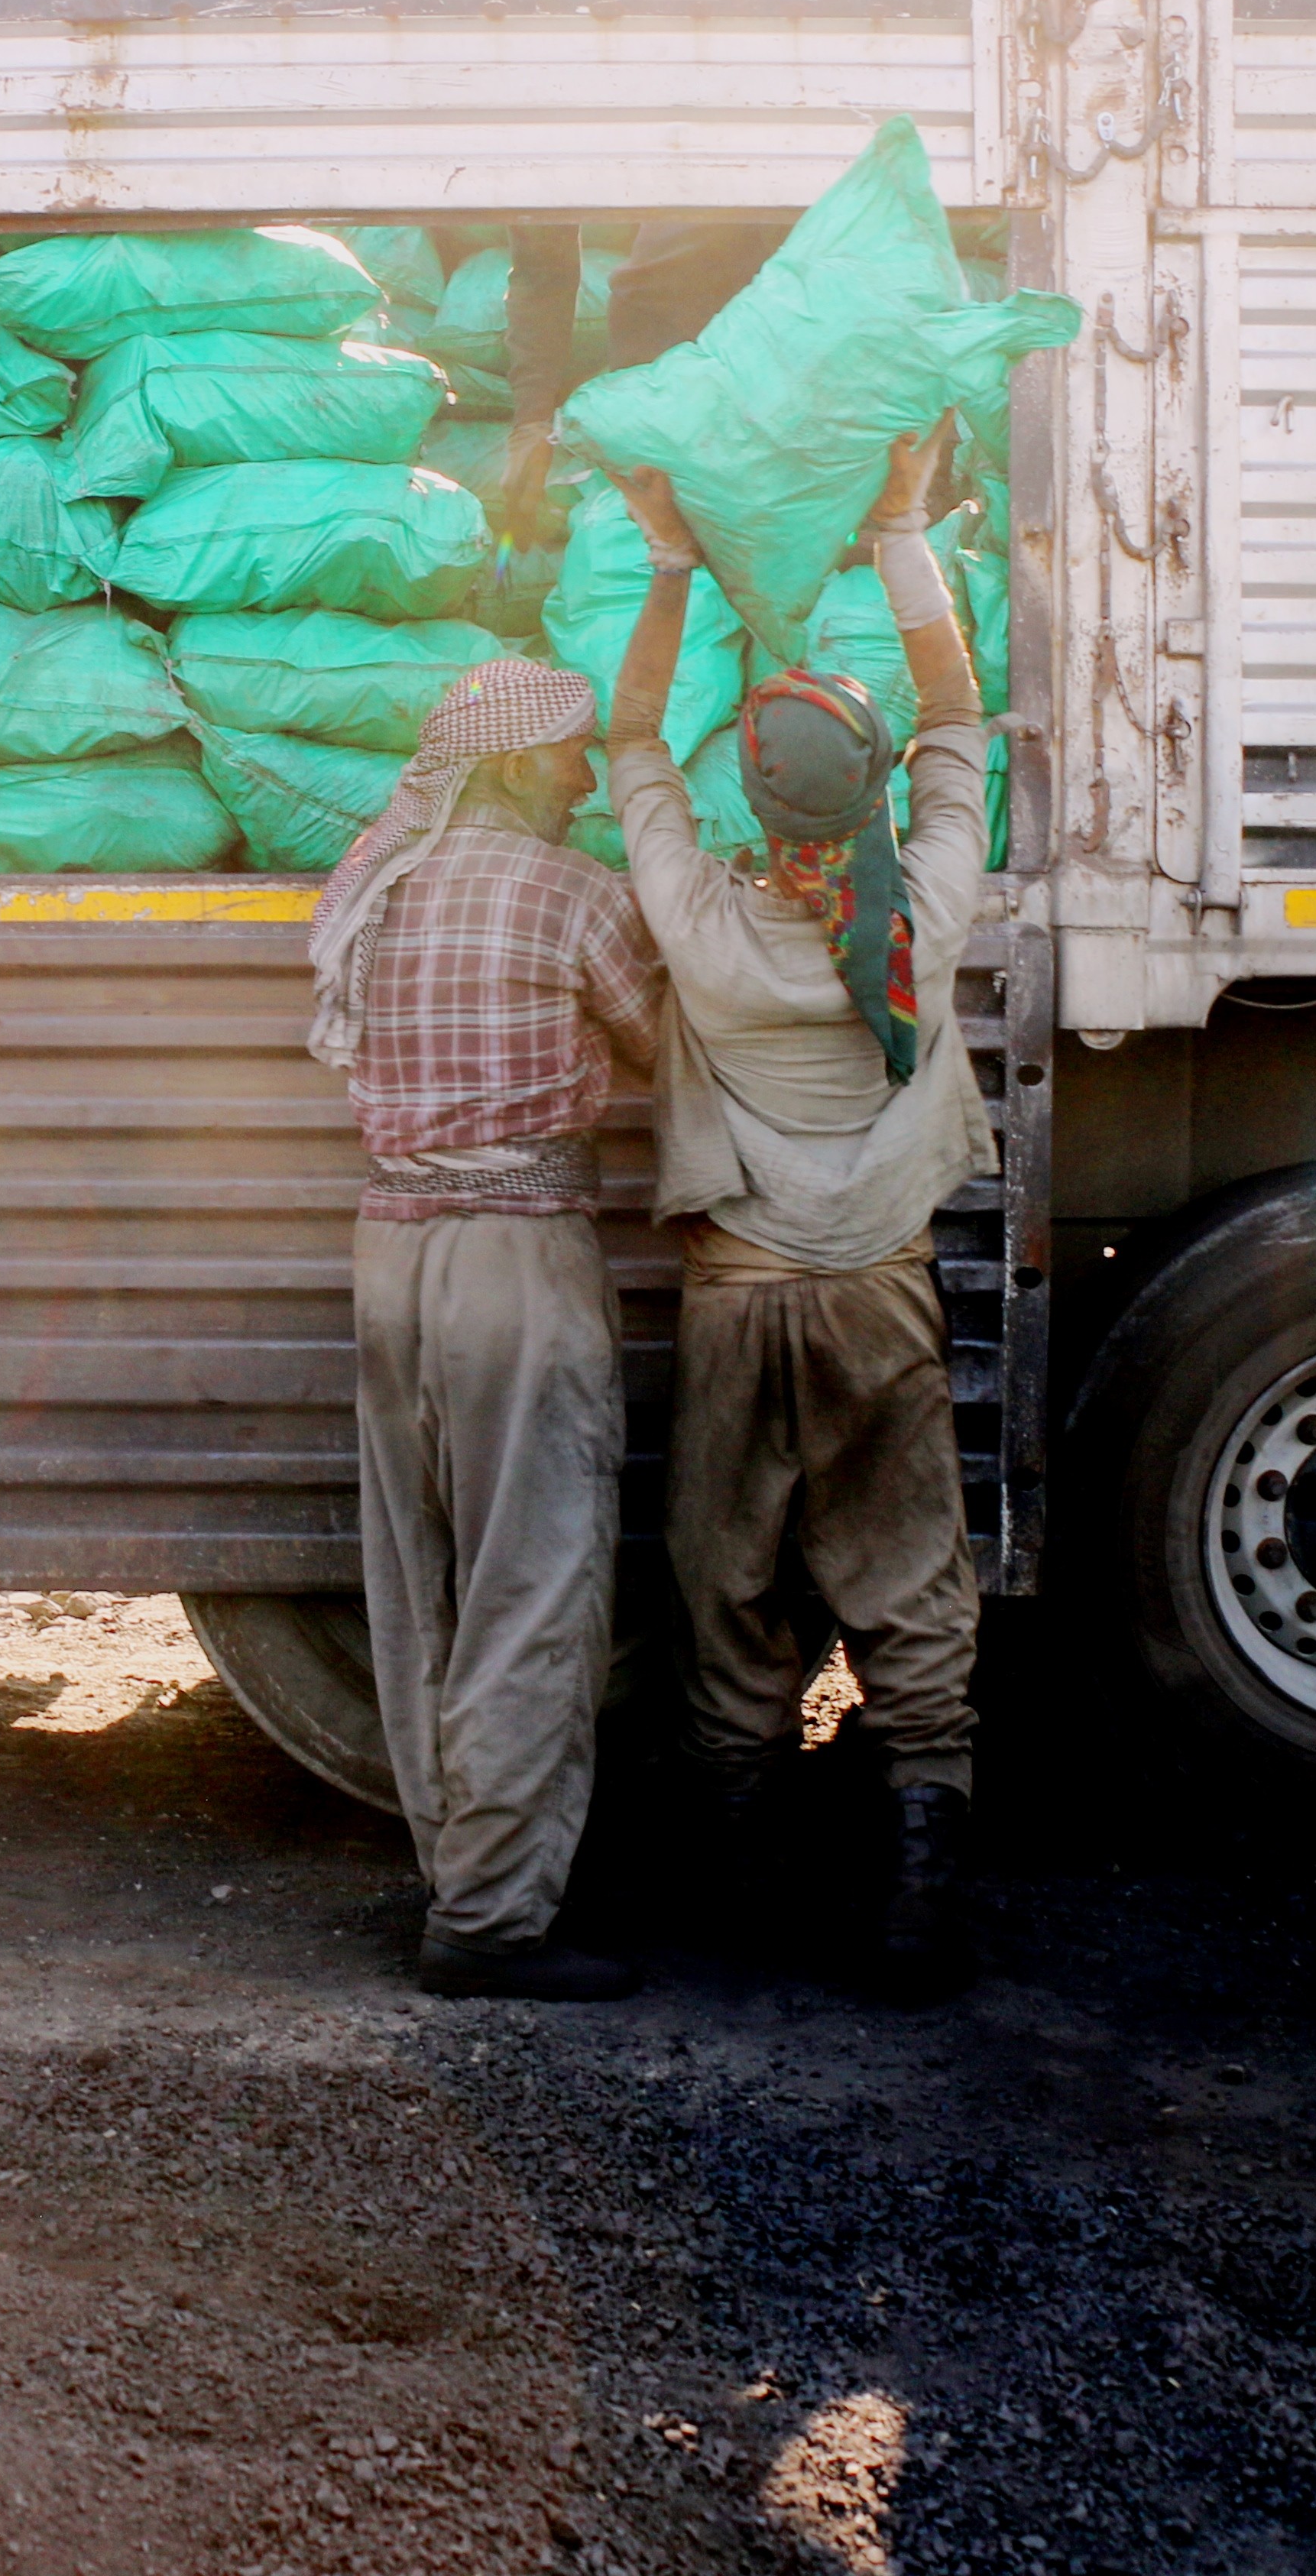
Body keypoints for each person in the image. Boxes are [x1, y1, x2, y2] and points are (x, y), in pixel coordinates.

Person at [595, 442, 1000, 1999]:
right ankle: (911, 1917)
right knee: (910, 1587)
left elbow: (630, 734)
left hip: (736, 1297)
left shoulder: (699, 923)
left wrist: (671, 557)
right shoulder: (926, 917)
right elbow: (961, 718)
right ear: (878, 783)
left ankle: (750, 1901)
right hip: (877, 1300)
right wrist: (902, 535)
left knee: (730, 1589)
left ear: (750, 801)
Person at [305, 658, 664, 2001]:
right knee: (533, 1583)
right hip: (517, 1261)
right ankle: (496, 1920)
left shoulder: (382, 889)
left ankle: (459, 1865)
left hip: (389, 1253)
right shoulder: (572, 897)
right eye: (572, 756)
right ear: (518, 763)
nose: (583, 778)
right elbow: (659, 1042)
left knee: (421, 1588)